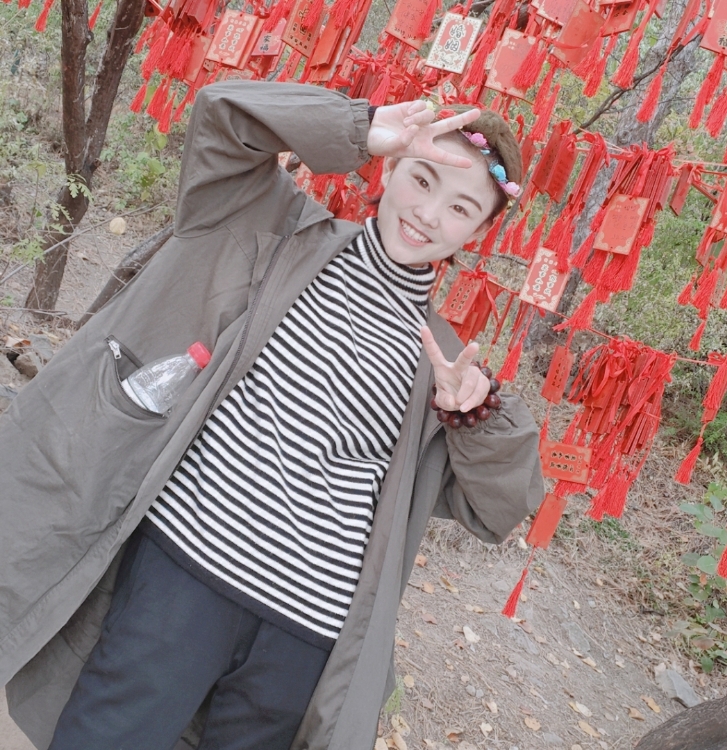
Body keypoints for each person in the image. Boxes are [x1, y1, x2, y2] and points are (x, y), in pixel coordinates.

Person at [0, 82, 543, 750]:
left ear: (480, 233)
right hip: (185, 570)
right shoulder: (276, 229)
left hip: (306, 632)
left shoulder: (447, 365)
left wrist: (476, 416)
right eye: (422, 178)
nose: (428, 214)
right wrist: (360, 127)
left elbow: (499, 510)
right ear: (391, 166)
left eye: (460, 208)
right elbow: (222, 117)